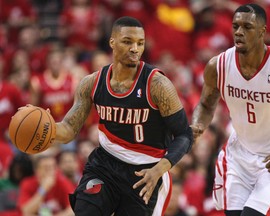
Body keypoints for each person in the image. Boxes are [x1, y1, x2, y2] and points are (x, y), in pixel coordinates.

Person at [39, 16, 192, 216]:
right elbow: (68, 129)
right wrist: (45, 127)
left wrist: (160, 169)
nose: (135, 49)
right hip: (105, 165)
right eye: (127, 42)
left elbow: (184, 135)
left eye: (140, 43)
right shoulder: (91, 83)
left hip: (145, 172)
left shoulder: (157, 85)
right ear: (112, 42)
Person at [191, 3, 270, 216]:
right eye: (235, 26)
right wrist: (197, 124)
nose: (239, 32)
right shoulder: (218, 66)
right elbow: (206, 104)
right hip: (240, 157)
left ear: (263, 31)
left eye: (247, 27)